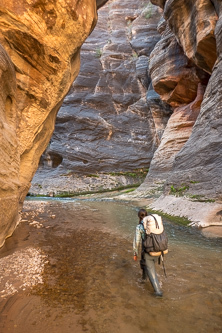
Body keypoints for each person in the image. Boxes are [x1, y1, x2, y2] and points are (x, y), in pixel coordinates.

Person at [133, 208, 163, 297]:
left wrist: (135, 253)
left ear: (139, 216)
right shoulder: (154, 223)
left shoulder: (139, 227)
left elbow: (137, 241)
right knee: (145, 263)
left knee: (151, 270)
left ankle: (158, 292)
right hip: (159, 248)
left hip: (148, 251)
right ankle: (143, 278)